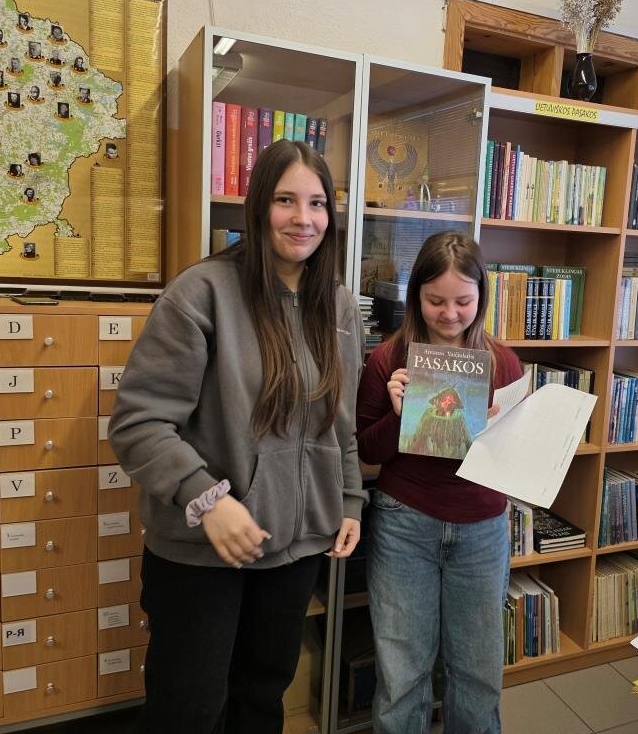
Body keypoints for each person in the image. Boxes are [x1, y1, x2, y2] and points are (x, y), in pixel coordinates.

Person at [107, 139, 365, 734]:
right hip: (203, 552)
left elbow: (340, 424)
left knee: (262, 697)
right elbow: (138, 423)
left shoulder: (339, 306)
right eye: (285, 200)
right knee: (190, 710)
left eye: (317, 203)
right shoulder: (201, 292)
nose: (303, 218)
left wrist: (349, 500)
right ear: (258, 206)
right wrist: (207, 498)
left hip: (295, 548)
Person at [356, 231, 523, 734]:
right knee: (401, 671)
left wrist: (503, 430)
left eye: (463, 301)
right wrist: (398, 415)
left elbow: (513, 458)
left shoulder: (502, 361)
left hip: (481, 526)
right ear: (416, 297)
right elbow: (366, 450)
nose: (449, 314)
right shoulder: (389, 358)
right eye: (435, 301)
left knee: (477, 671)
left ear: (482, 296)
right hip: (405, 522)